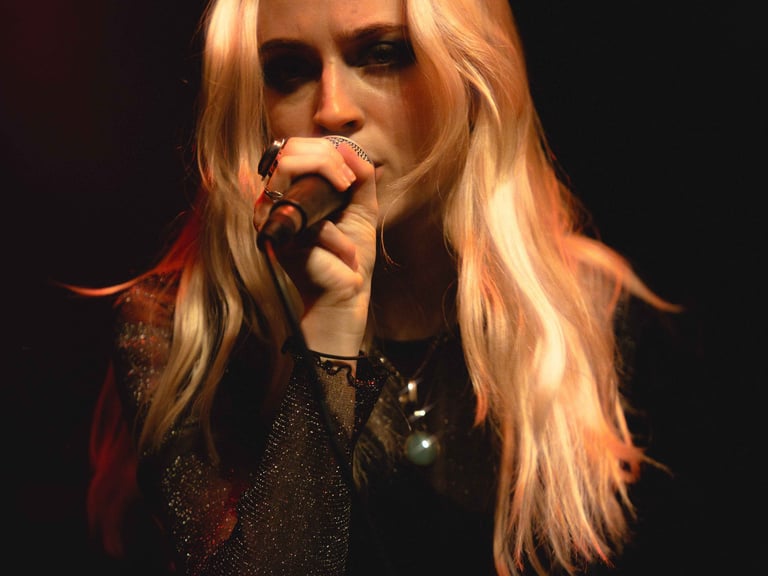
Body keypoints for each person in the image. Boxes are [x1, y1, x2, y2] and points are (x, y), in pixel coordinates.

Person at [76, 0, 680, 574]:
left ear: (471, 74)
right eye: (288, 70)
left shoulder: (594, 312)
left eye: (383, 54)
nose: (333, 110)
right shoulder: (179, 328)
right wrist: (329, 331)